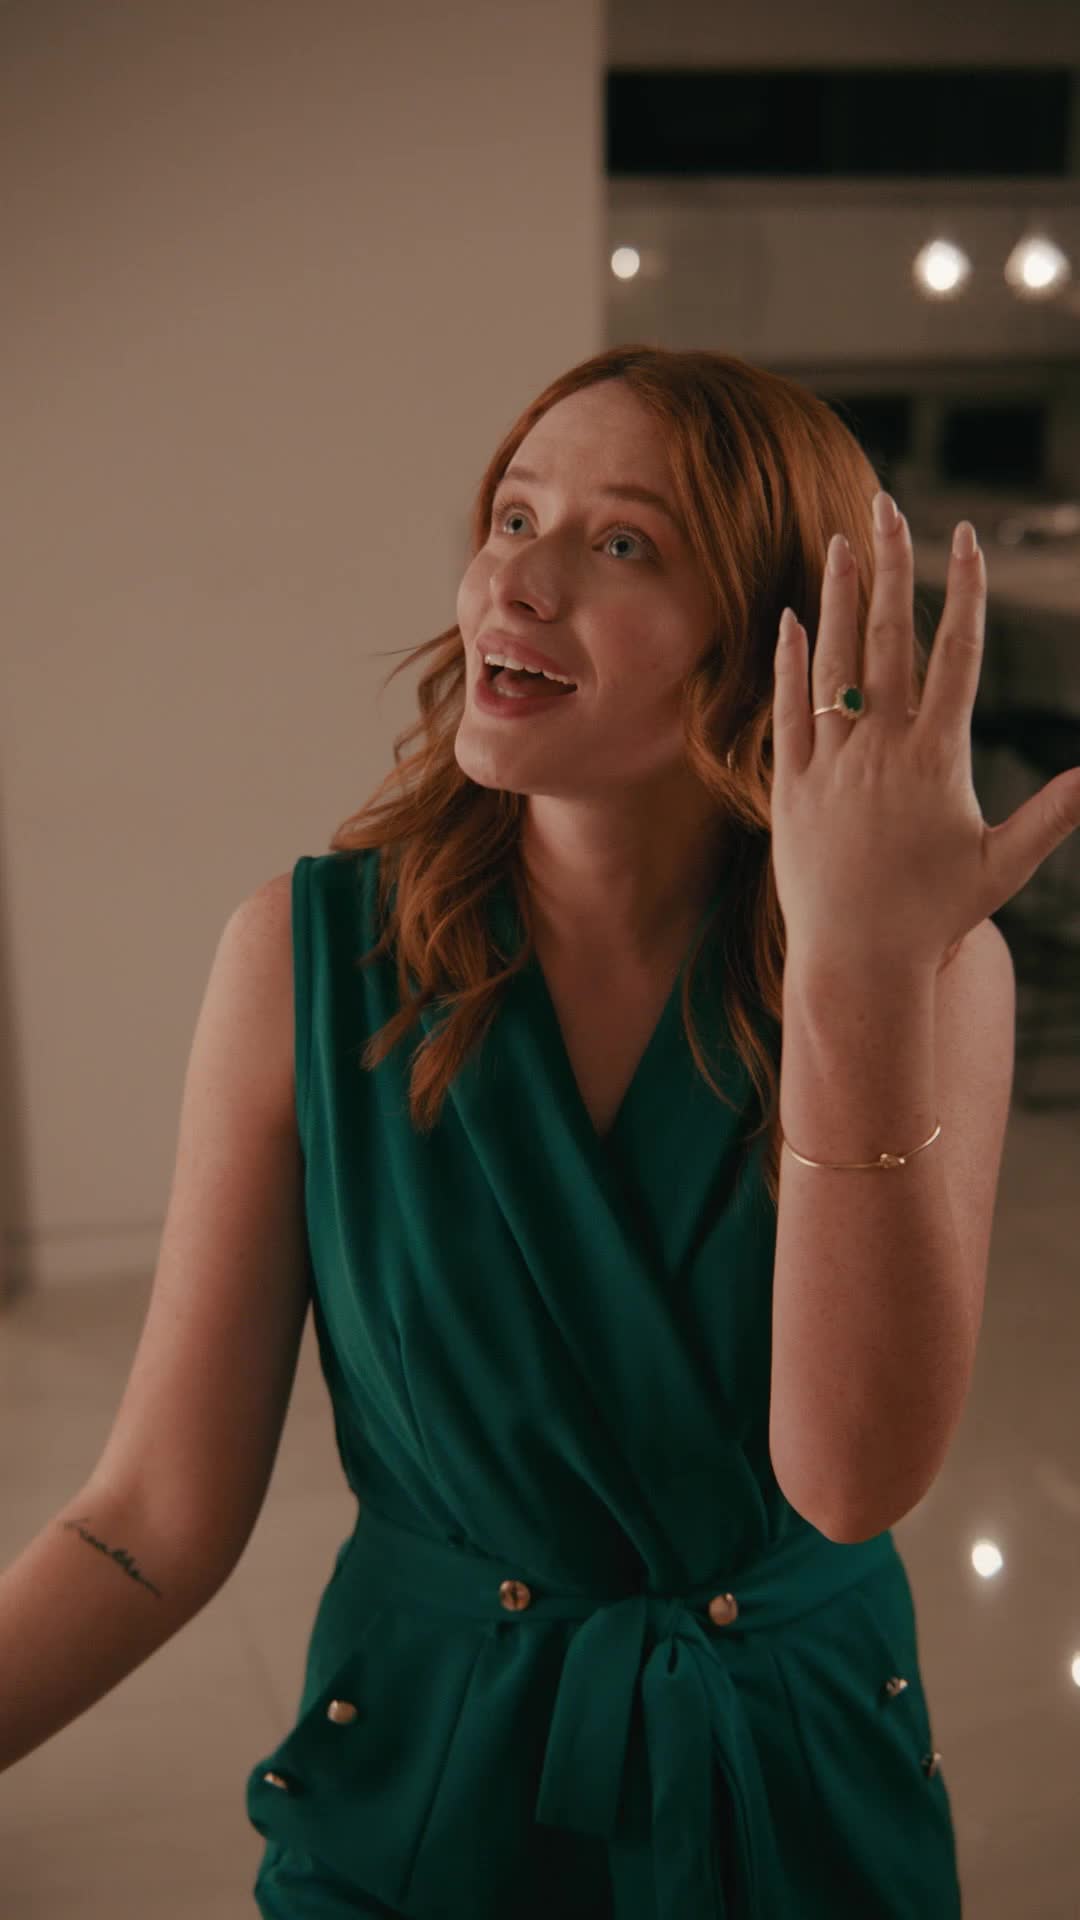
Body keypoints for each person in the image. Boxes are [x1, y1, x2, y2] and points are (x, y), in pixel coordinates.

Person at [4, 345, 1041, 1917]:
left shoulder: (933, 970)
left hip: (791, 1788)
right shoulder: (303, 959)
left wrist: (855, 970)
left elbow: (847, 1484)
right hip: (426, 1790)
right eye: (512, 516)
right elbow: (150, 1525)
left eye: (621, 542)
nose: (520, 579)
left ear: (773, 637)